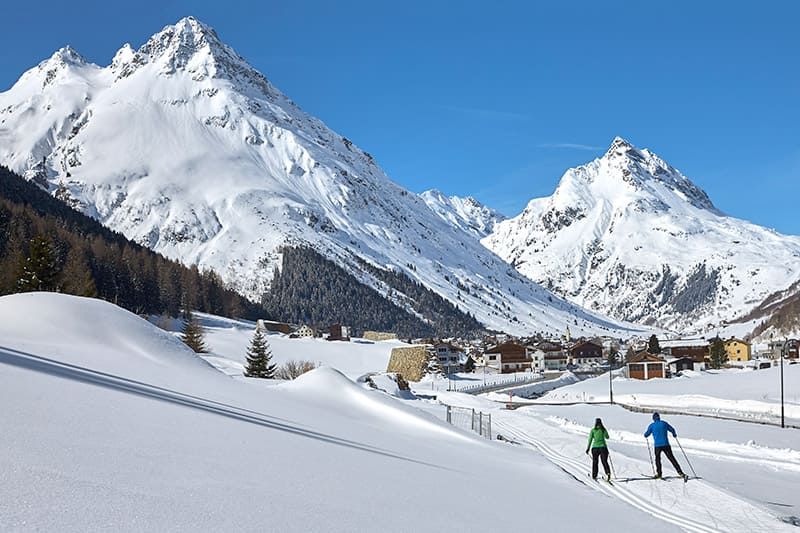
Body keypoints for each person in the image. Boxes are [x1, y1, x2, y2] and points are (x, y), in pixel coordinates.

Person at [644, 412, 687, 480]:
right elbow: (672, 429)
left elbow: (646, 434)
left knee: (658, 459)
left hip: (657, 446)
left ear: (653, 418)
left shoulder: (652, 425)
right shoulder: (664, 423)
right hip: (666, 444)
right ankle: (680, 472)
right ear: (659, 417)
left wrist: (645, 435)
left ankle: (659, 474)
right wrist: (674, 434)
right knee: (672, 458)